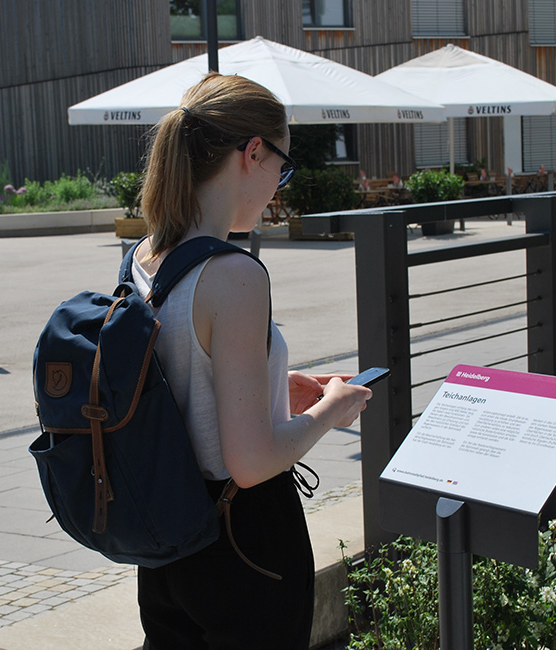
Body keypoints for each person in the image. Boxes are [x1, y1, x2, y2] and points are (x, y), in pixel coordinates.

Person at [129, 72, 373, 649]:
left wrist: (271, 384)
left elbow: (179, 380)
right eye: (282, 168)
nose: (278, 187)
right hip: (244, 544)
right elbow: (251, 462)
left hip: (165, 541)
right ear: (254, 152)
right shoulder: (234, 274)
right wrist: (330, 411)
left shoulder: (143, 257)